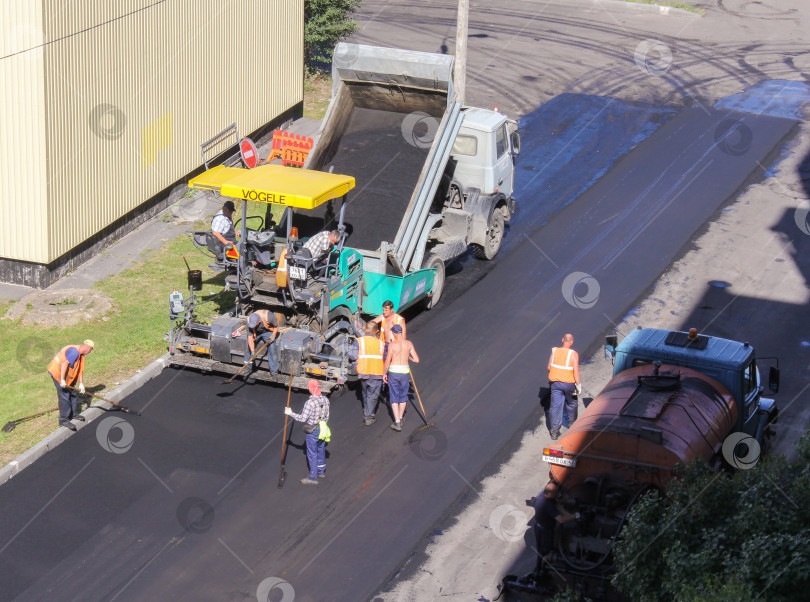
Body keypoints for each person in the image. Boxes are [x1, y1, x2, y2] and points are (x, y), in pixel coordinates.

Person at [527, 481, 579, 582]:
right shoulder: (546, 504)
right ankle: (539, 571)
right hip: (545, 530)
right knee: (545, 550)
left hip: (539, 527)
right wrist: (575, 516)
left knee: (541, 550)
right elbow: (561, 520)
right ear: (550, 494)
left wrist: (566, 512)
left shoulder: (543, 494)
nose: (558, 495)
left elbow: (558, 505)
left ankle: (539, 568)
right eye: (556, 494)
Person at [285, 379, 330, 485]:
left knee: (312, 453)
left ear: (310, 388)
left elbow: (302, 418)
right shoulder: (325, 399)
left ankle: (313, 477)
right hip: (322, 428)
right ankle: (321, 471)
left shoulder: (310, 403)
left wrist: (290, 413)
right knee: (321, 449)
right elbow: (327, 416)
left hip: (313, 430)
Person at [46, 340, 95, 431]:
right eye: (91, 350)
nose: (90, 352)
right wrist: (62, 380)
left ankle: (73, 414)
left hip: (65, 375)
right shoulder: (75, 352)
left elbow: (79, 369)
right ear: (87, 348)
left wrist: (81, 384)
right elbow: (65, 364)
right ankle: (63, 420)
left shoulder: (80, 353)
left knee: (73, 393)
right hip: (57, 373)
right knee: (64, 396)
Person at [348, 321, 385, 426]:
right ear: (375, 331)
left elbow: (352, 355)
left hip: (364, 371)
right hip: (377, 371)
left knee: (365, 393)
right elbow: (385, 357)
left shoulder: (360, 341)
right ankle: (368, 417)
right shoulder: (381, 343)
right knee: (373, 395)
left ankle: (367, 410)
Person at [383, 324, 419, 431]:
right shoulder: (409, 344)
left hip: (394, 372)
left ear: (394, 333)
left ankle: (397, 421)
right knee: (403, 396)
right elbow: (416, 360)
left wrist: (384, 373)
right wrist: (408, 357)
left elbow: (388, 361)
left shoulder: (392, 345)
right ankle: (401, 418)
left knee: (394, 396)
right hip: (405, 372)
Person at [547, 333, 581, 441]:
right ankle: (572, 424)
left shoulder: (555, 351)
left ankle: (554, 432)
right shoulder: (573, 354)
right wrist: (579, 386)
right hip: (569, 384)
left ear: (562, 340)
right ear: (572, 342)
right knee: (572, 403)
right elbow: (576, 373)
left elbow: (549, 367)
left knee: (555, 407)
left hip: (556, 384)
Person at [245, 309, 279, 374]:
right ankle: (248, 368)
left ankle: (274, 372)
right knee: (248, 347)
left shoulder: (269, 316)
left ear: (259, 320)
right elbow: (250, 338)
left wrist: (273, 335)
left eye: (254, 324)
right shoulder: (249, 320)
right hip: (256, 332)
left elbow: (277, 324)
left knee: (272, 349)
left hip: (267, 331)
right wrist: (252, 351)